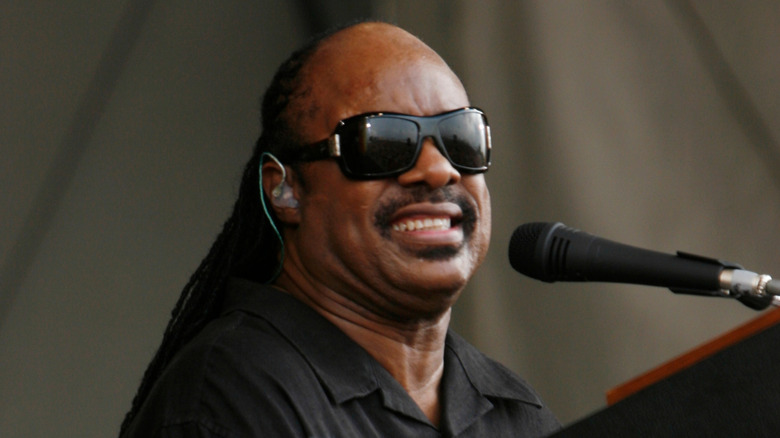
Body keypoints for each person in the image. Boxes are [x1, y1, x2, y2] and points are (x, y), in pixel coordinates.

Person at [120, 21, 560, 437]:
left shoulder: (518, 413)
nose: (439, 169)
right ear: (286, 190)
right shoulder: (228, 395)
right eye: (384, 142)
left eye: (461, 136)